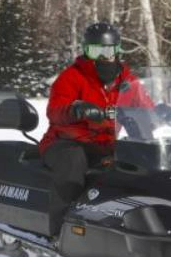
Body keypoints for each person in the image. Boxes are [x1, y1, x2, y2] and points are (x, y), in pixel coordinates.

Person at [40, 22, 160, 227]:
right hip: (65, 142)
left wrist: (158, 113)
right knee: (73, 161)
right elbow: (54, 111)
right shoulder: (72, 76)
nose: (103, 57)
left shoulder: (127, 79)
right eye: (96, 51)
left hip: (108, 144)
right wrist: (75, 109)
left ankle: (146, 222)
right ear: (87, 51)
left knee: (148, 160)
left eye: (108, 50)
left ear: (117, 50)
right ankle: (60, 229)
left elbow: (145, 107)